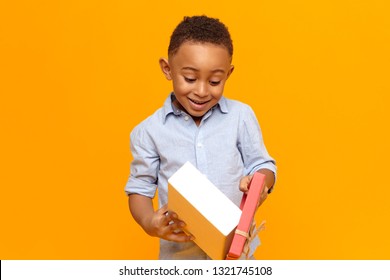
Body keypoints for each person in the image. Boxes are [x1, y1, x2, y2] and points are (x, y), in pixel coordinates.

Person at [125, 15, 276, 260]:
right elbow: (140, 188)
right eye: (190, 79)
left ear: (228, 74)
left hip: (238, 253)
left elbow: (263, 165)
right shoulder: (148, 131)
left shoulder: (240, 116)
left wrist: (260, 184)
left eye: (215, 81)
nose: (202, 91)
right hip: (181, 259)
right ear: (167, 69)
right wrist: (148, 221)